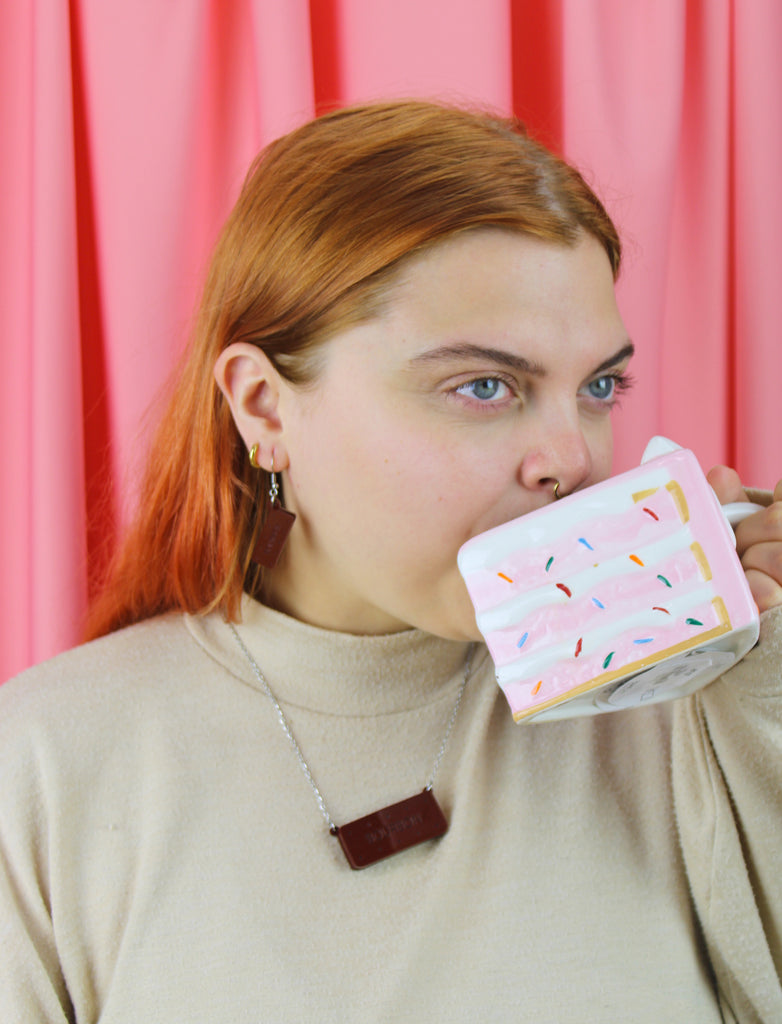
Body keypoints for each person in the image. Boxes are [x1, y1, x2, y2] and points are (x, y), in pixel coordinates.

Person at [1, 100, 781, 1023]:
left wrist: (763, 693)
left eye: (599, 387)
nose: (571, 458)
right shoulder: (45, 763)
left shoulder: (688, 705)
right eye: (485, 386)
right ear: (264, 408)